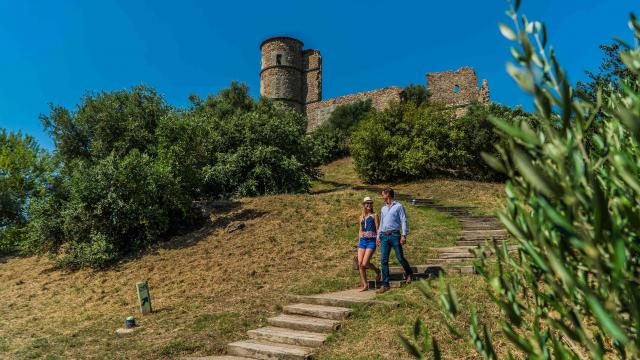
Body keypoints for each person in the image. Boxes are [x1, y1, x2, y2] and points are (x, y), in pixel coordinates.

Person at [376, 188, 414, 294]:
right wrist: (378, 237)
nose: (382, 196)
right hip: (384, 236)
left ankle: (409, 273)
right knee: (383, 260)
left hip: (395, 235)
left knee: (400, 257)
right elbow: (381, 223)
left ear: (387, 195)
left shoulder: (399, 206)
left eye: (383, 194)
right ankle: (385, 284)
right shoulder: (383, 208)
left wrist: (404, 235)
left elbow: (403, 220)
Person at [356, 196, 381, 291]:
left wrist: (378, 239)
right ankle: (365, 285)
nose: (369, 205)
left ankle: (377, 271)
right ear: (364, 205)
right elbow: (360, 230)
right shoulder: (361, 217)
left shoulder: (375, 215)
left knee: (365, 263)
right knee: (360, 264)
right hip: (362, 241)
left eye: (370, 203)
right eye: (367, 203)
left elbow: (378, 228)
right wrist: (359, 241)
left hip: (371, 241)